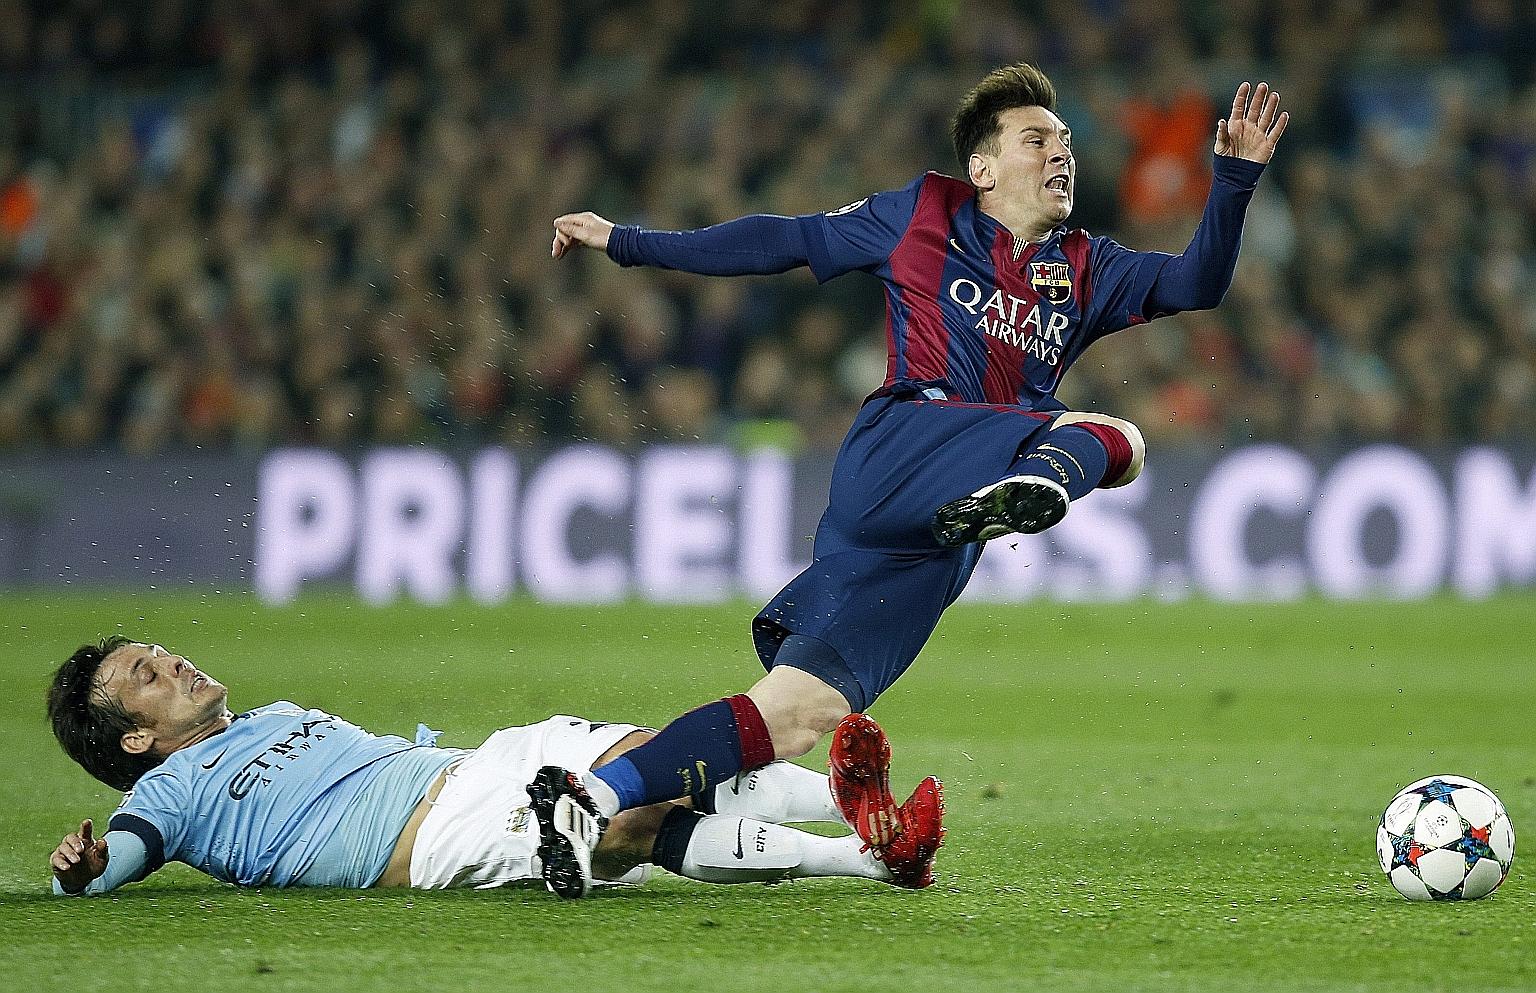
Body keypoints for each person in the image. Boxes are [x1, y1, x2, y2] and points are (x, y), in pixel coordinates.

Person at [538, 63, 1287, 897]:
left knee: (795, 716)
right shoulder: (921, 216)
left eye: (1066, 139)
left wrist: (1233, 181)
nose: (1060, 152)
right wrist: (626, 240)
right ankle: (1037, 485)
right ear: (983, 167)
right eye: (1036, 139)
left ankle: (588, 795)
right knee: (1116, 438)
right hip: (901, 443)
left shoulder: (1088, 267)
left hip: (935, 536)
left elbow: (1197, 282)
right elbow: (780, 239)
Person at [45, 637, 943, 899]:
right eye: (145, 676)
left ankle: (845, 794)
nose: (173, 664)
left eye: (161, 652)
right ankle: (870, 857)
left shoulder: (273, 714)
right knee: (625, 826)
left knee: (643, 760)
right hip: (436, 835)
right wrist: (86, 874)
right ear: (133, 739)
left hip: (478, 762)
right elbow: (124, 851)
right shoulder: (169, 790)